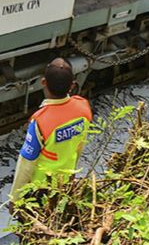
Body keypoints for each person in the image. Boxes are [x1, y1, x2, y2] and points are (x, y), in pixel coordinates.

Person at [9, 58, 93, 202]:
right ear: (72, 86)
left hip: (39, 189)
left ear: (43, 83)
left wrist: (14, 199)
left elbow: (26, 164)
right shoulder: (83, 108)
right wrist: (72, 173)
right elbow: (79, 145)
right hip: (65, 183)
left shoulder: (41, 121)